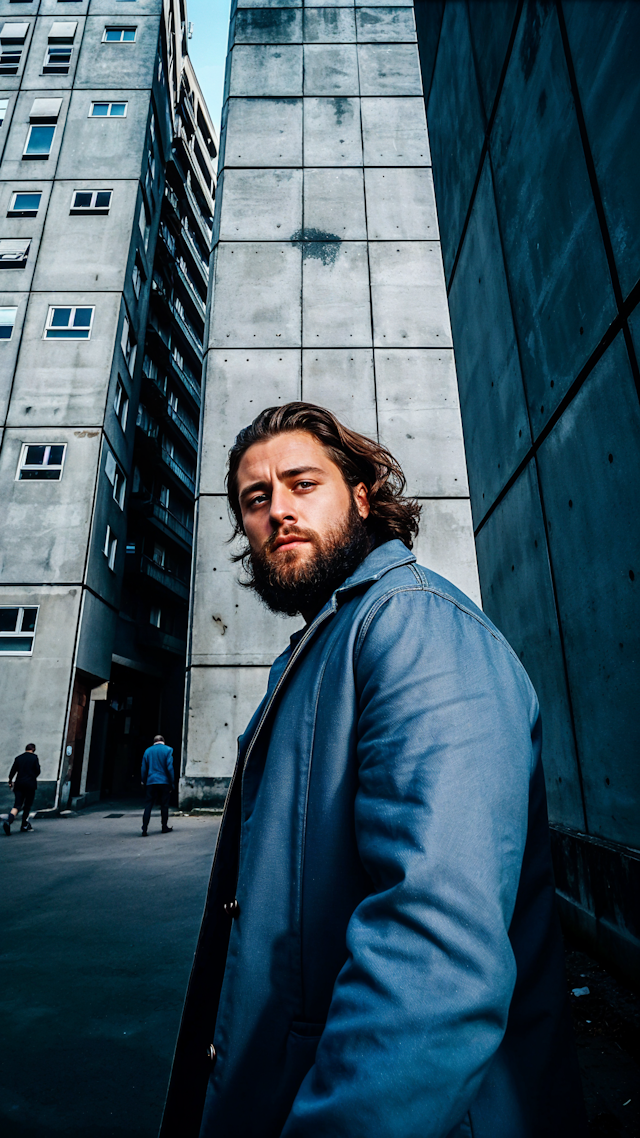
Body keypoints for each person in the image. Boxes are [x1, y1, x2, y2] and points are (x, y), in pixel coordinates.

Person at [161, 403, 586, 1138]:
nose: (279, 513)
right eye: (256, 500)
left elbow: (434, 952)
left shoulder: (414, 625)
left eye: (302, 484)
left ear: (361, 495)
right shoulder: (319, 647)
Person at [141, 734, 174, 836]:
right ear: (163, 741)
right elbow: (169, 768)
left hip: (151, 781)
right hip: (164, 782)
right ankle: (164, 826)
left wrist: (144, 780)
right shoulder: (168, 750)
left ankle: (145, 828)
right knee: (164, 805)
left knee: (148, 805)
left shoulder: (148, 751)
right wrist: (171, 782)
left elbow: (143, 768)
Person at [4, 743, 40, 835]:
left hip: (19, 784)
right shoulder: (34, 758)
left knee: (17, 804)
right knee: (27, 805)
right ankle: (24, 825)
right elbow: (37, 771)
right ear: (33, 749)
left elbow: (13, 771)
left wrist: (10, 781)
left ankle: (9, 821)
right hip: (30, 784)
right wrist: (32, 776)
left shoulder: (18, 758)